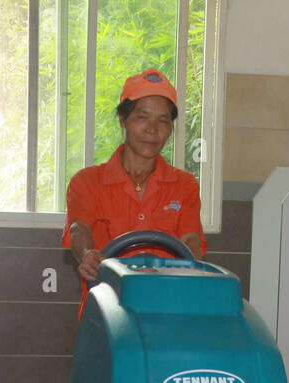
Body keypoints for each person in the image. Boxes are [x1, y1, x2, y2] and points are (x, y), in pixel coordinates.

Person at [62, 68, 207, 317]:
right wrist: (87, 255)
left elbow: (191, 240)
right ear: (123, 121)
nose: (152, 129)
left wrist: (193, 266)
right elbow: (79, 229)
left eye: (163, 121)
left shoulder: (185, 185)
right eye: (142, 117)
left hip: (168, 310)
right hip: (107, 313)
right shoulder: (87, 182)